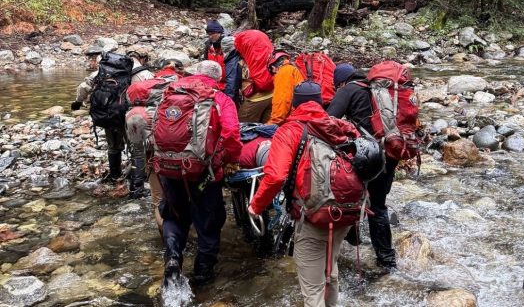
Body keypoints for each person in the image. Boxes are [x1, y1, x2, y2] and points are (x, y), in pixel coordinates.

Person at [248, 81, 360, 307]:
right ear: (321, 101)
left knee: (312, 287)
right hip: (347, 211)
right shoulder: (341, 126)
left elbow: (276, 176)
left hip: (313, 215)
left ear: (294, 104)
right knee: (331, 269)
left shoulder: (289, 130)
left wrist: (256, 206)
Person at [160, 60, 242, 286]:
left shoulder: (171, 92)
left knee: (174, 216)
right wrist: (230, 161)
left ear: (195, 73)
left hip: (170, 167)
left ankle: (173, 258)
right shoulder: (220, 98)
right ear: (218, 79)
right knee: (208, 221)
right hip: (204, 172)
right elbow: (233, 134)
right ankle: (202, 277)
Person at [326, 63, 397, 269]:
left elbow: (329, 120)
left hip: (368, 155)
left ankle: (355, 239)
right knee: (378, 204)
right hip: (391, 151)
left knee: (351, 197)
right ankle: (386, 260)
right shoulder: (379, 90)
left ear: (341, 82)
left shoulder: (348, 89)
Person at [72, 47, 153, 181]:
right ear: (143, 59)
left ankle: (115, 175)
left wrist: (78, 102)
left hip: (110, 114)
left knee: (114, 147)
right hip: (132, 117)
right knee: (136, 148)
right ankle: (137, 180)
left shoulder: (107, 71)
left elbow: (83, 87)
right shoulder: (146, 75)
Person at [266, 50, 304, 125]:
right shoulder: (292, 68)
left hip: (293, 119)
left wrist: (273, 123)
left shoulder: (283, 73)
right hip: (300, 115)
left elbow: (282, 100)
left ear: (273, 67)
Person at [203, 20, 226, 86]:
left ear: (219, 32)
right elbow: (205, 63)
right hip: (213, 82)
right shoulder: (208, 45)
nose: (210, 36)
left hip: (227, 82)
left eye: (212, 33)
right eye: (208, 34)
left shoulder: (227, 45)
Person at [221, 36, 241, 104]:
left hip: (240, 92)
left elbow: (231, 83)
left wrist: (227, 102)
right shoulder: (240, 54)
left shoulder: (231, 60)